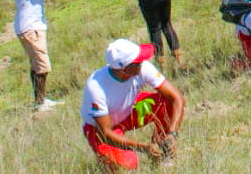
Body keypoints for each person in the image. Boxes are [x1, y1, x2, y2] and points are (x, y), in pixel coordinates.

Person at [13, 0, 93, 111]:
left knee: (37, 65)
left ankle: (40, 100)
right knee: (42, 66)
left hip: (32, 24)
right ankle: (40, 103)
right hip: (30, 26)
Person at [78, 38, 186, 168]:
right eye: (138, 62)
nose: (143, 63)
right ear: (123, 69)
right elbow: (105, 133)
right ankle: (107, 162)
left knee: (166, 102)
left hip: (128, 111)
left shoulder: (141, 67)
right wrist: (143, 148)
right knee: (128, 164)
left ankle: (163, 152)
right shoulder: (96, 87)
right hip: (100, 129)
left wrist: (172, 134)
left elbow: (177, 98)